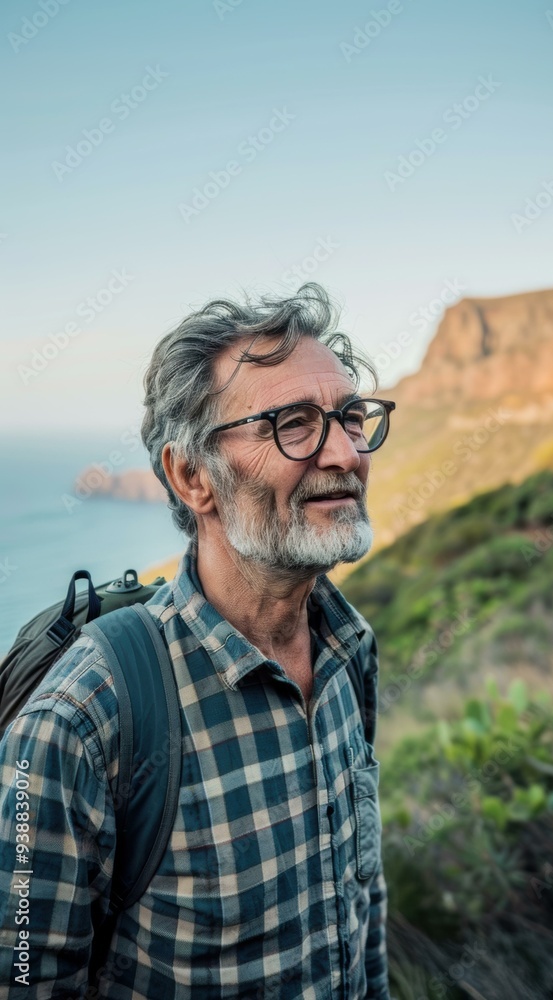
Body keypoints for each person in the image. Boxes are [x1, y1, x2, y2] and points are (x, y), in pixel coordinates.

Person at [0, 283, 393, 999]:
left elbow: (362, 922)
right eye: (294, 424)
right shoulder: (86, 720)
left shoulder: (348, 653)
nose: (345, 452)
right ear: (191, 477)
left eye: (351, 417)